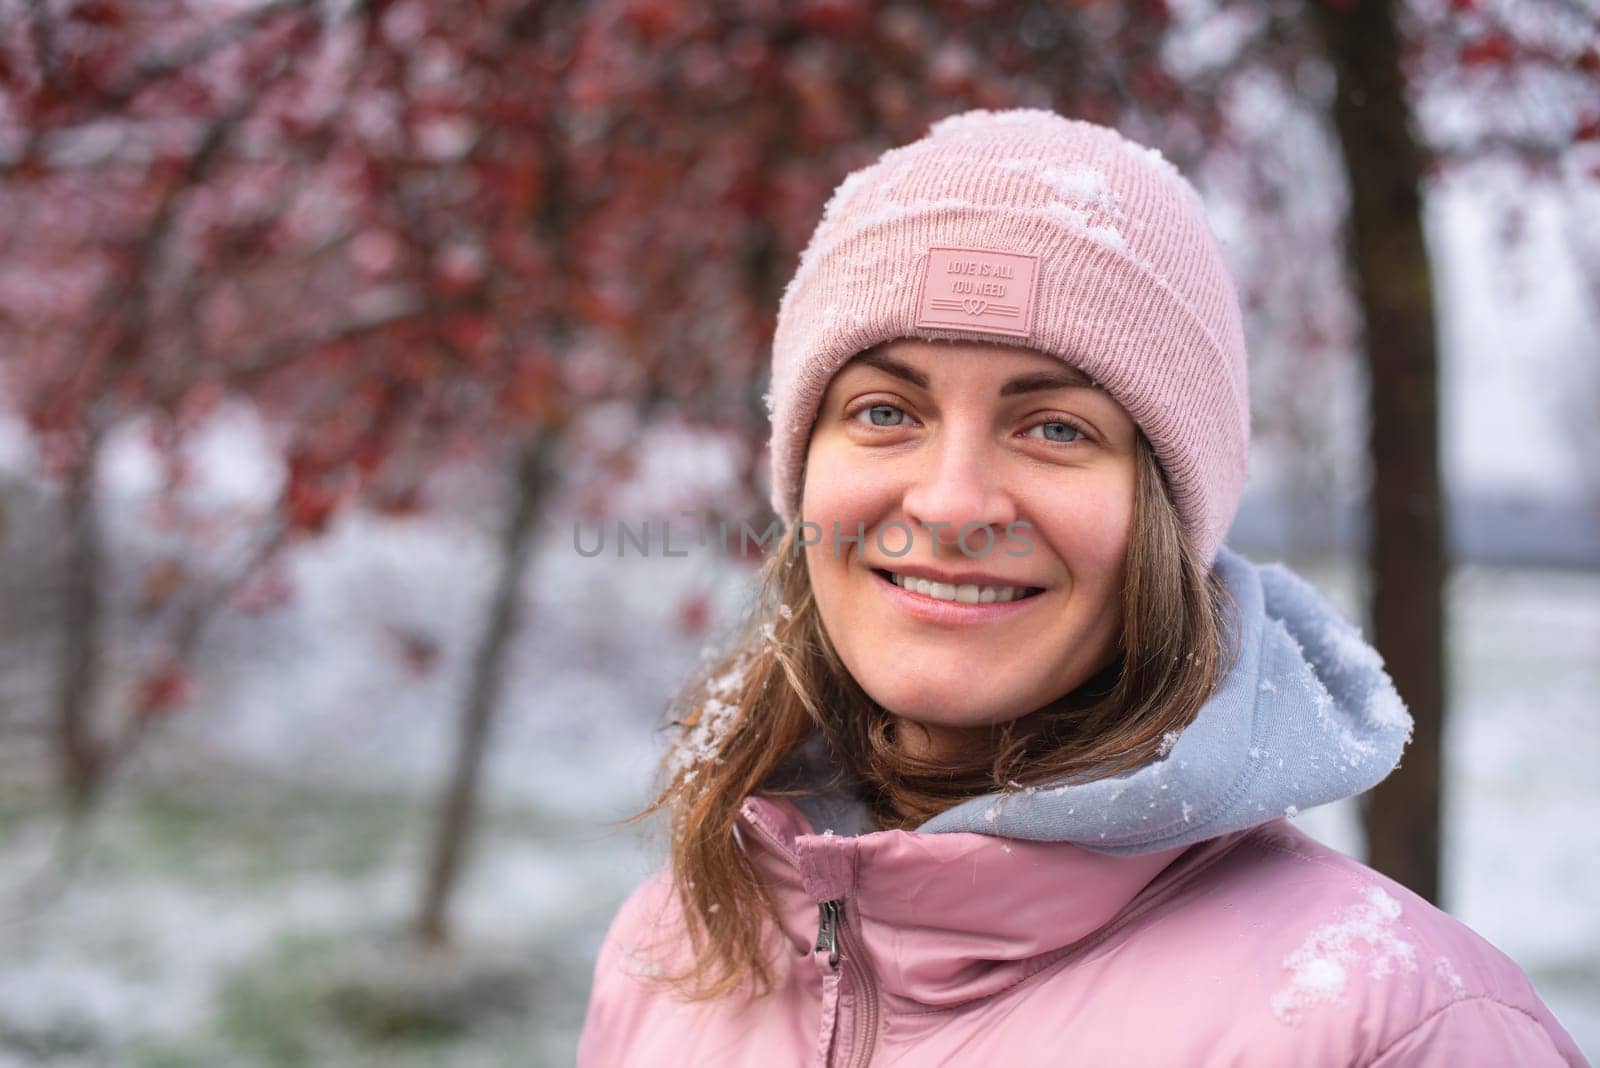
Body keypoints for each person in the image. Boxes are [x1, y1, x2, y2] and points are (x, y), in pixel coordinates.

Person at [577, 109, 1587, 1066]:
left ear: (1167, 518)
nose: (950, 501)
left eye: (1055, 427)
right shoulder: (676, 950)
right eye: (885, 410)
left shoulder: (1390, 1028)